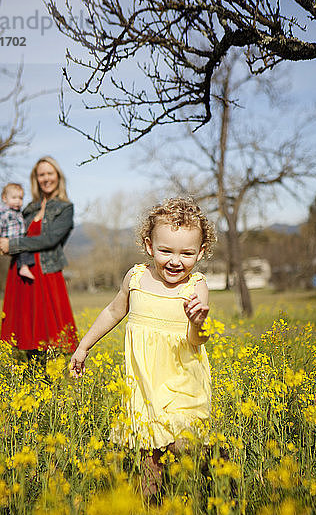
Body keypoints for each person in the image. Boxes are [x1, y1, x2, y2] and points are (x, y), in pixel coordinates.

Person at [70, 197, 216, 497]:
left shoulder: (196, 286)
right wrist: (83, 346)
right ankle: (150, 509)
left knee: (182, 442)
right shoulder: (136, 277)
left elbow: (198, 340)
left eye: (187, 253)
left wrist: (198, 323)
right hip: (143, 383)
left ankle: (209, 476)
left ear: (200, 252)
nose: (176, 261)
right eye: (166, 251)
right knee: (148, 449)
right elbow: (113, 312)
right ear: (149, 246)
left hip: (182, 379)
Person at [0, 156, 78, 358]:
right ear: (36, 178)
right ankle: (31, 378)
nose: (46, 178)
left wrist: (13, 245)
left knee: (51, 333)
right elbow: (13, 229)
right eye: (41, 174)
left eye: (50, 173)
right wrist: (1, 242)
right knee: (26, 332)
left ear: (58, 176)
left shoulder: (65, 208)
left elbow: (49, 239)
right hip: (22, 272)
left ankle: (56, 379)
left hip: (46, 272)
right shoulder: (29, 208)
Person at [0, 183, 35, 280]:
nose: (18, 201)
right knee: (24, 249)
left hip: (17, 241)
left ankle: (23, 266)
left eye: (20, 198)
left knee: (26, 247)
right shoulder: (2, 211)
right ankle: (23, 267)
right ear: (4, 198)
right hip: (8, 241)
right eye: (14, 198)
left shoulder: (18, 212)